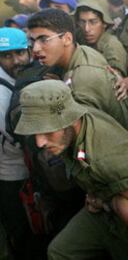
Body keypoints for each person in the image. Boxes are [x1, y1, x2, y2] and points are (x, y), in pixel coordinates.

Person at [15, 79, 128, 259]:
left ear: (69, 119)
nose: (39, 142)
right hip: (110, 206)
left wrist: (104, 202)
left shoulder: (105, 155)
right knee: (59, 252)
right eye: (36, 132)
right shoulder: (76, 120)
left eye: (47, 131)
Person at [27, 8, 128, 135]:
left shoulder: (83, 80)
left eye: (44, 39)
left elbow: (84, 134)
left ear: (67, 39)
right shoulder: (82, 50)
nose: (36, 48)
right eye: (33, 41)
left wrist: (58, 95)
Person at [0, 27, 31, 260]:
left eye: (19, 53)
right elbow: (14, 140)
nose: (15, 60)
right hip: (12, 174)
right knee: (22, 231)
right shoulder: (1, 93)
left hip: (24, 170)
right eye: (6, 56)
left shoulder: (25, 78)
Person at [75, 0, 128, 76]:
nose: (86, 29)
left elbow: (115, 81)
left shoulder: (112, 46)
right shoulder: (79, 36)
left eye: (93, 22)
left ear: (104, 23)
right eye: (82, 22)